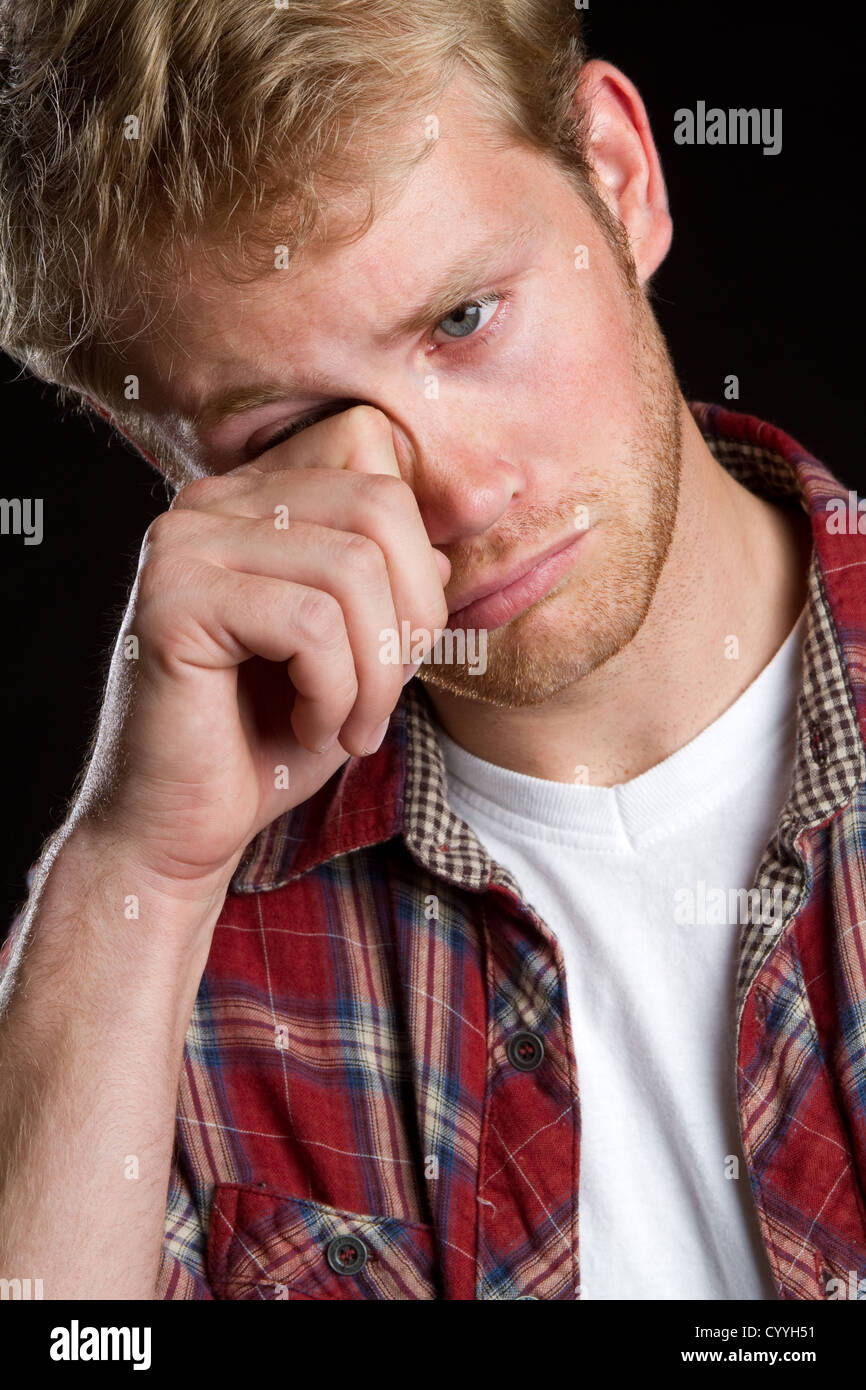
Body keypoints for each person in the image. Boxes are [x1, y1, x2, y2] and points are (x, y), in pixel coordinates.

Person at [1, 0, 864, 1302]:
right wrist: (137, 868)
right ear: (171, 471)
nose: (451, 494)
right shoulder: (147, 966)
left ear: (618, 182)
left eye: (464, 318)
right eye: (285, 431)